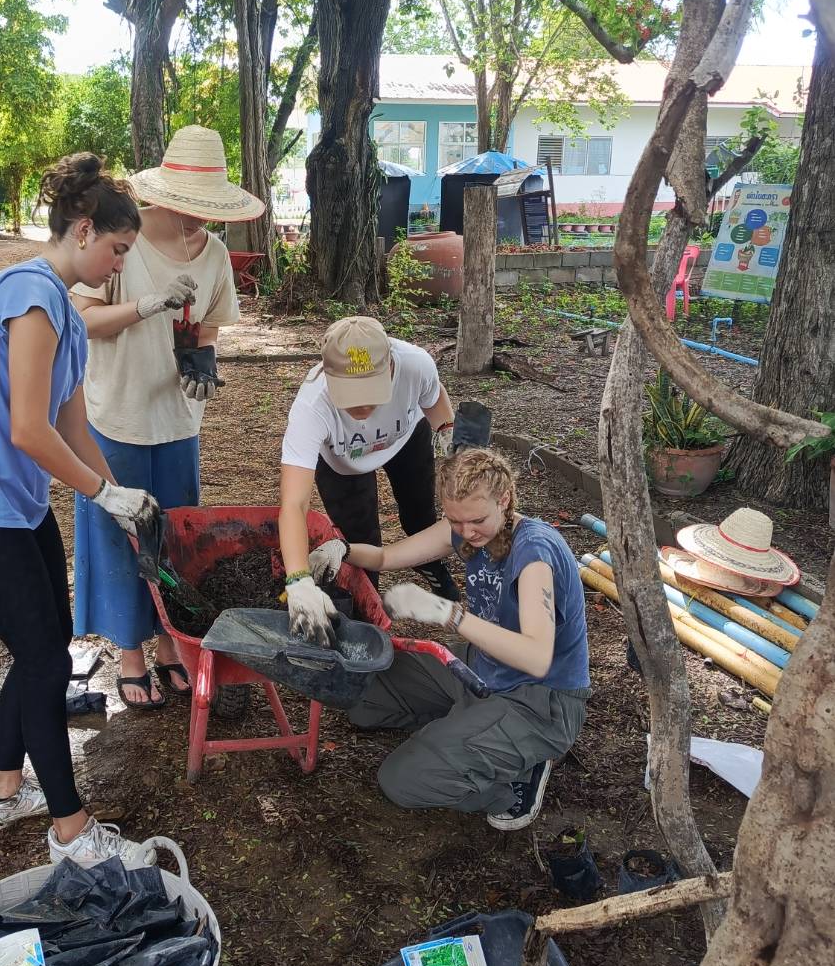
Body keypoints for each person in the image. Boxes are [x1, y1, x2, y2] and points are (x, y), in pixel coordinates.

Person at [0, 153, 163, 869]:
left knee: (48, 639)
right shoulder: (30, 294)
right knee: (41, 655)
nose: (118, 267)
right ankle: (70, 827)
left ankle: (3, 792)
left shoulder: (65, 308)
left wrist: (118, 493)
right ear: (84, 228)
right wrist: (97, 493)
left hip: (17, 503)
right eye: (117, 249)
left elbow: (72, 423)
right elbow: (28, 429)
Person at [71, 125, 256, 709]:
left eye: (211, 210)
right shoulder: (122, 241)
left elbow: (207, 328)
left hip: (178, 420)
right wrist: (147, 305)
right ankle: (130, 650)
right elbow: (85, 320)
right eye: (194, 208)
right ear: (168, 194)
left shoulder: (216, 254)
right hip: (117, 413)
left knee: (174, 536)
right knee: (122, 532)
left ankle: (170, 644)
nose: (202, 219)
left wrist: (201, 360)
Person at [308, 447, 589, 830]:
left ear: (504, 500)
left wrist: (447, 613)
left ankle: (514, 780)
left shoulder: (534, 553)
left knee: (402, 780)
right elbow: (387, 557)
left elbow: (537, 658)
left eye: (476, 520)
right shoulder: (462, 527)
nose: (467, 533)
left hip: (540, 701)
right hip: (483, 668)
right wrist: (344, 550)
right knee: (363, 695)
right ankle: (470, 730)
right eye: (456, 521)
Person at [278, 315, 458, 646]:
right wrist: (298, 579)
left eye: (370, 391)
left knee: (420, 516)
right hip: (344, 462)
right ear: (327, 376)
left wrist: (448, 435)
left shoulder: (416, 364)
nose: (361, 405)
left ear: (391, 368)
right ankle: (369, 610)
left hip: (404, 439)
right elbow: (293, 502)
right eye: (349, 393)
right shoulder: (311, 405)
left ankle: (432, 566)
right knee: (359, 538)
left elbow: (434, 400)